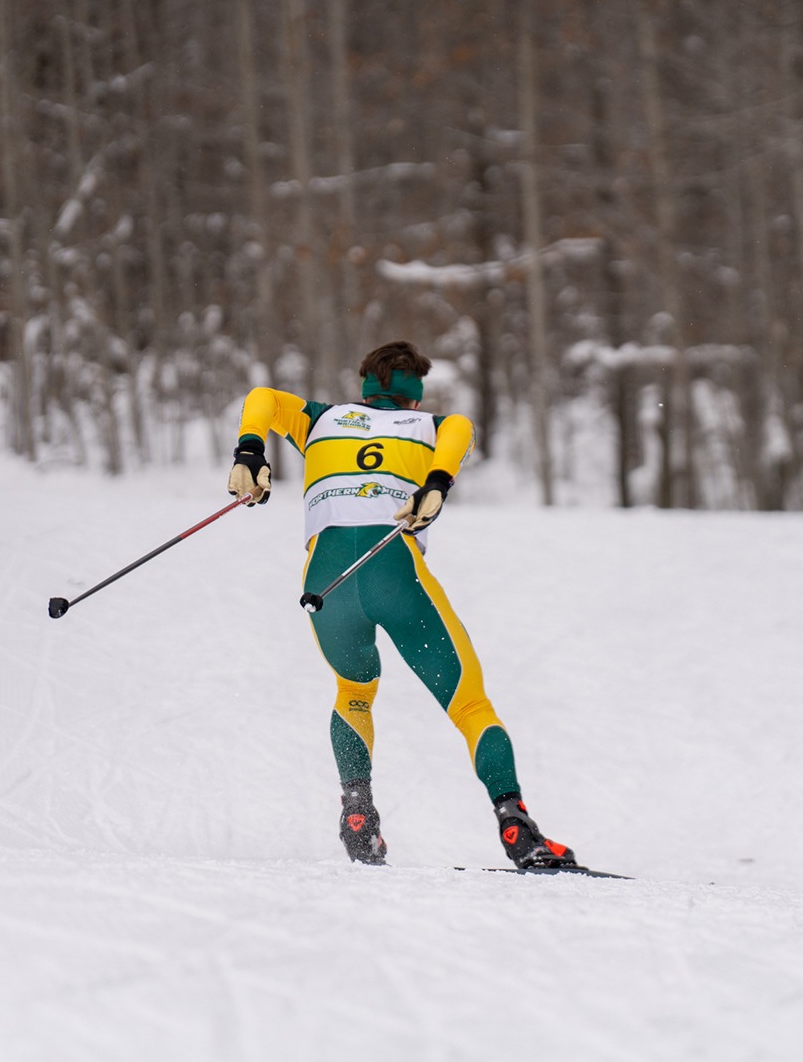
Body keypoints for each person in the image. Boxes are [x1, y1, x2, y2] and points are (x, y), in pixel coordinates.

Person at [226, 340, 578, 869]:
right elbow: (461, 428)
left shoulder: (321, 420)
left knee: (353, 692)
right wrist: (437, 480)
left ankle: (358, 813)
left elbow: (263, 398)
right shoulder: (430, 426)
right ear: (416, 394)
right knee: (470, 706)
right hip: (393, 570)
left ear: (365, 386)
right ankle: (516, 826)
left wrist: (250, 453)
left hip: (326, 581)